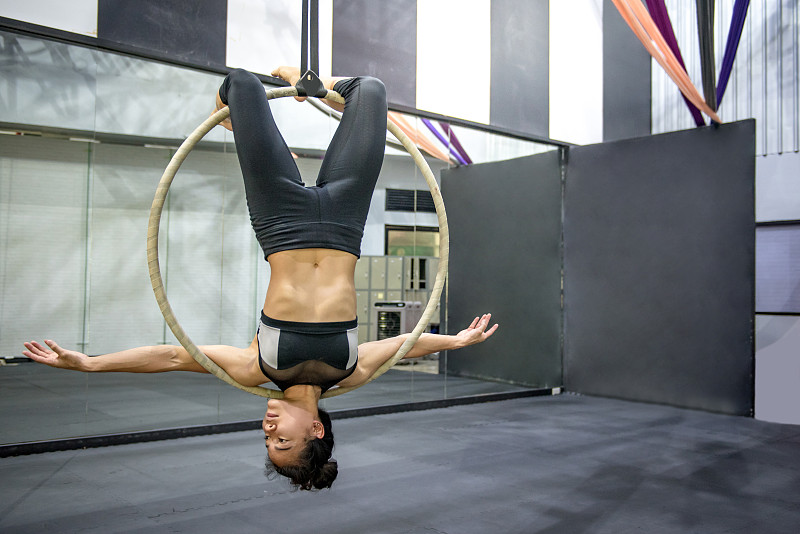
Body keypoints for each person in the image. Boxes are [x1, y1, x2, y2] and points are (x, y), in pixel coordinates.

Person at [22, 66, 498, 491]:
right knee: (371, 90)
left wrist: (90, 364)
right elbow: (404, 346)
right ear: (315, 430)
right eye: (281, 438)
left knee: (243, 85)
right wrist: (452, 342)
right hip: (346, 222)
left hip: (282, 223)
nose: (268, 428)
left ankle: (235, 115)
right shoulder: (349, 372)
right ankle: (313, 85)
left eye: (266, 438)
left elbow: (170, 356)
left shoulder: (258, 368)